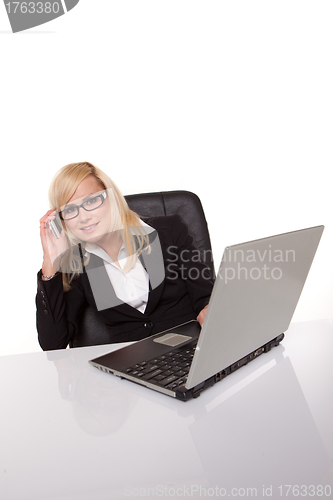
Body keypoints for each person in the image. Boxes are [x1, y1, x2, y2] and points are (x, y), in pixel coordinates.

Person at [37, 162, 214, 350]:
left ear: (111, 197)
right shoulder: (77, 263)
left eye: (90, 201)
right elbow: (53, 344)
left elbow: (204, 296)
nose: (83, 217)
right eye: (70, 210)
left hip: (190, 350)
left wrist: (209, 308)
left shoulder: (168, 231)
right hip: (130, 366)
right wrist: (50, 262)